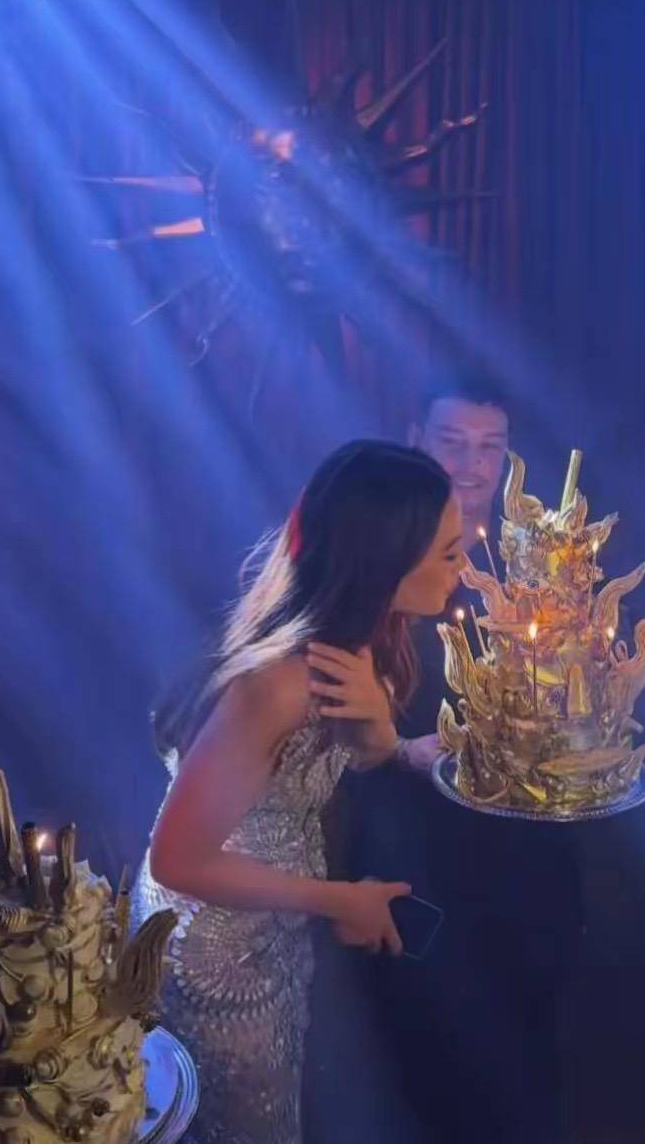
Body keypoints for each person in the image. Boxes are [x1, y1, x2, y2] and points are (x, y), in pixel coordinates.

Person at [131, 440, 464, 1144]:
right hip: (215, 945)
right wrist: (338, 899)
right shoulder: (279, 685)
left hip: (275, 916)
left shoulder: (364, 638)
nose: (462, 567)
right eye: (448, 553)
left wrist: (389, 742)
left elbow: (321, 766)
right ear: (387, 561)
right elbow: (177, 859)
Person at [322, 377, 583, 1144]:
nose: (471, 465)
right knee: (428, 1053)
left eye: (490, 447)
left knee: (529, 1038)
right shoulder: (373, 560)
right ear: (414, 439)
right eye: (452, 443)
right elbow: (331, 729)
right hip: (418, 856)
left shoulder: (538, 556)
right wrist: (399, 749)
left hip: (527, 849)